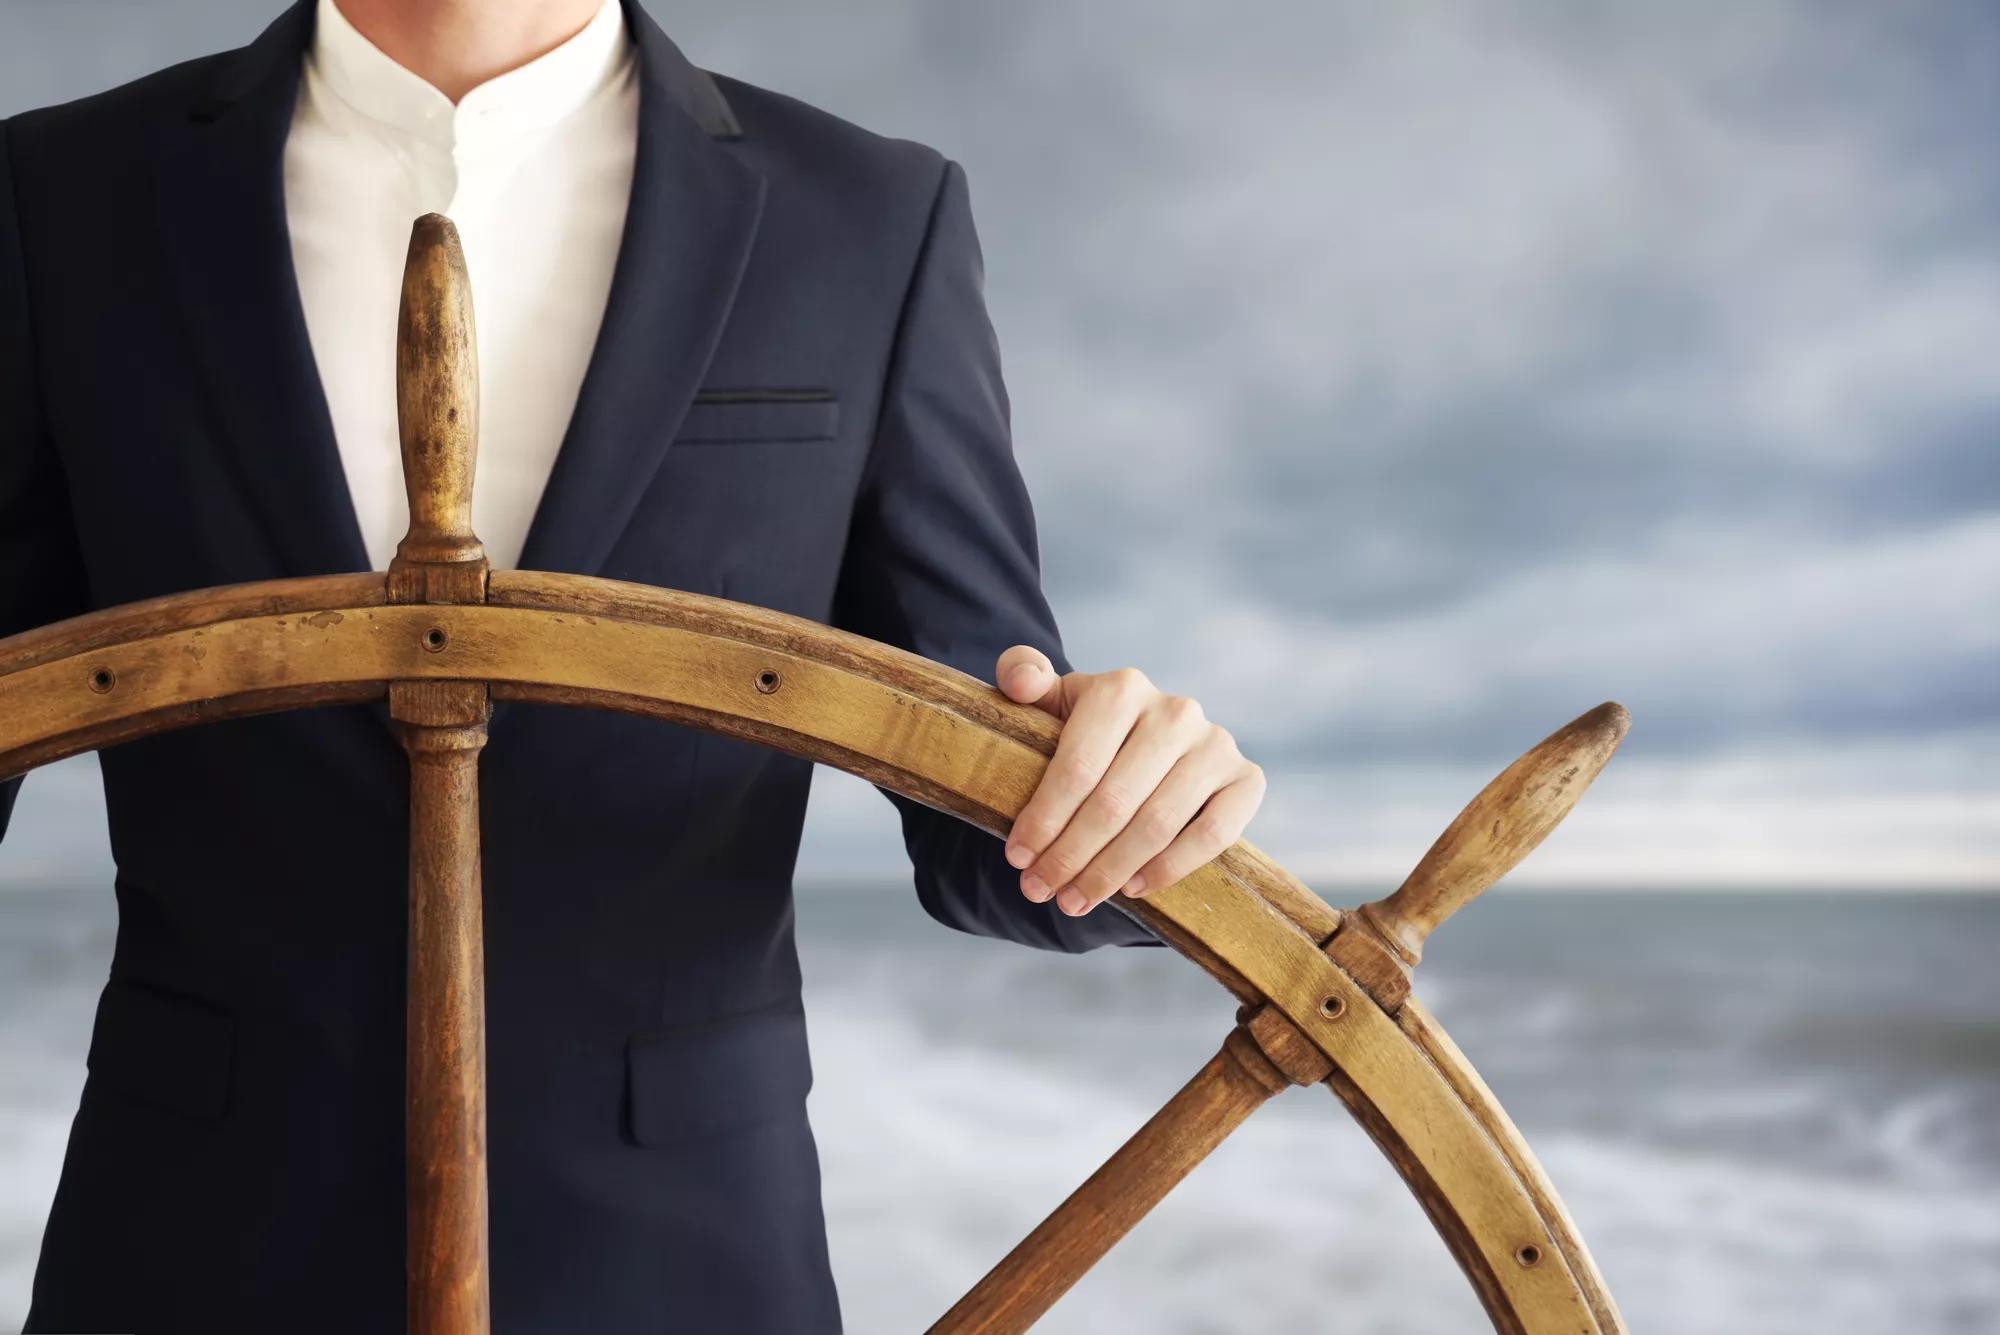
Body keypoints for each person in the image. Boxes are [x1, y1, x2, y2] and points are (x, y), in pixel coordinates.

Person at [0, 0, 1268, 1329]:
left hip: (686, 1269)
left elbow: (982, 811)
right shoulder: (57, 200)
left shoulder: (871, 222)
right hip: (185, 1257)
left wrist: (1128, 797)